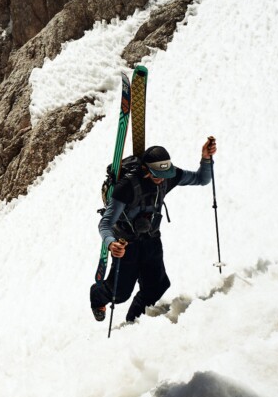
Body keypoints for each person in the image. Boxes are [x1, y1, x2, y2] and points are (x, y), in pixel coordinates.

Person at [90, 137, 218, 325]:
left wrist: (206, 159)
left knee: (157, 286)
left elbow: (202, 179)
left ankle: (133, 322)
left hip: (151, 239)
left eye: (164, 175)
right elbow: (106, 223)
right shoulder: (126, 187)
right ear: (145, 170)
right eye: (156, 174)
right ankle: (97, 297)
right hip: (127, 244)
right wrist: (111, 243)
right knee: (120, 294)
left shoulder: (168, 176)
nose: (161, 180)